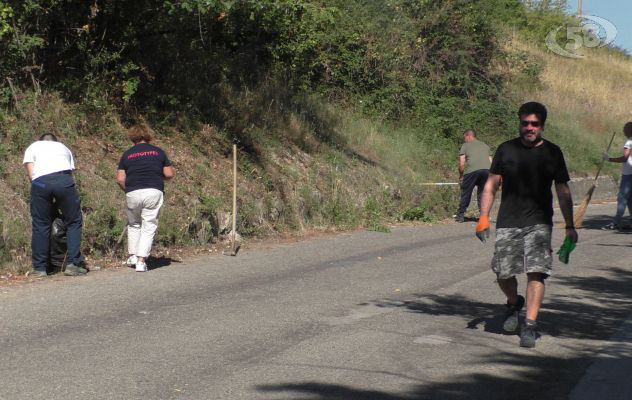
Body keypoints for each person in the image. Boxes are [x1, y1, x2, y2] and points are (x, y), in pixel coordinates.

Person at [475, 102, 577, 348]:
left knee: (537, 271)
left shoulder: (553, 152)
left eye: (535, 124)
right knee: (503, 272)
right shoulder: (505, 149)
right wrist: (483, 216)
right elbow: (491, 184)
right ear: (519, 122)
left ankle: (530, 325)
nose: (529, 128)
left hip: (539, 222)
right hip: (509, 221)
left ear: (542, 125)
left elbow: (562, 190)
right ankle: (513, 302)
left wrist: (570, 225)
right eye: (525, 123)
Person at [23, 133, 87, 277]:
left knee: (40, 224)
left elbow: (31, 175)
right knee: (74, 221)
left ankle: (39, 268)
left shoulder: (33, 147)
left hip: (40, 182)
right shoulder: (64, 147)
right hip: (63, 180)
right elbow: (69, 173)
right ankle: (73, 264)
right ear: (55, 141)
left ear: (41, 141)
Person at [116, 125, 174, 272]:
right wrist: (155, 176)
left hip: (133, 192)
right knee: (149, 225)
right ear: (148, 136)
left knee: (134, 224)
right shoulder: (158, 152)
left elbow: (120, 179)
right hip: (153, 191)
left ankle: (133, 256)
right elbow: (168, 174)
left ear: (132, 137)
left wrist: (128, 190)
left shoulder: (127, 155)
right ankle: (141, 261)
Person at [601, 122, 632, 230]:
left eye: (625, 129)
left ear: (629, 130)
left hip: (628, 174)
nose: (623, 131)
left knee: (622, 198)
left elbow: (625, 158)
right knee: (629, 199)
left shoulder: (629, 142)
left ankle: (616, 222)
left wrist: (609, 159)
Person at [455, 129, 491, 222]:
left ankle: (461, 215)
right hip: (487, 171)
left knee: (466, 192)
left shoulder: (465, 145)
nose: (464, 140)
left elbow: (462, 163)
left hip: (472, 171)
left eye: (464, 137)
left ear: (469, 136)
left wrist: (461, 175)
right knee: (483, 194)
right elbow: (491, 162)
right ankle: (484, 217)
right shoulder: (485, 145)